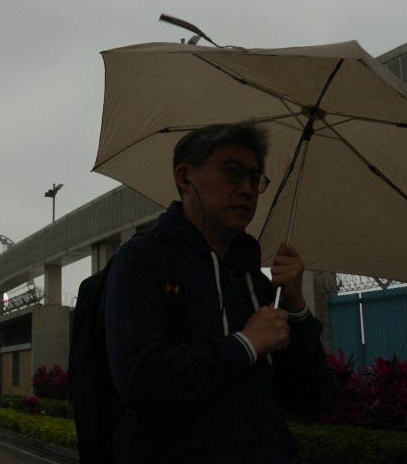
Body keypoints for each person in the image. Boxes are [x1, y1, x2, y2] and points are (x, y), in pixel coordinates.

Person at [103, 122, 329, 463]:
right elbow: (140, 379)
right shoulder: (143, 259)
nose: (247, 189)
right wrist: (246, 344)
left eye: (255, 179)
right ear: (184, 177)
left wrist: (296, 307)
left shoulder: (257, 281)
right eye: (232, 172)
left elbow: (313, 399)